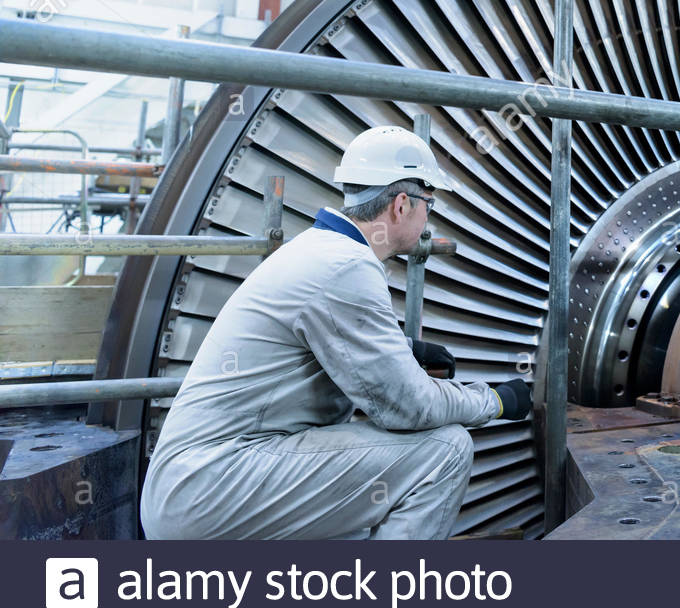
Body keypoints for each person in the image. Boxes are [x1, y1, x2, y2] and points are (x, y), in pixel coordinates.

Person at [140, 125, 531, 539]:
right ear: (402, 205)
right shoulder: (346, 266)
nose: (428, 219)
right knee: (445, 451)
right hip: (213, 487)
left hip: (203, 484)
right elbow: (407, 407)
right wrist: (495, 401)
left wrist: (404, 349)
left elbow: (327, 339)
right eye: (428, 205)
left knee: (360, 510)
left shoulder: (320, 249)